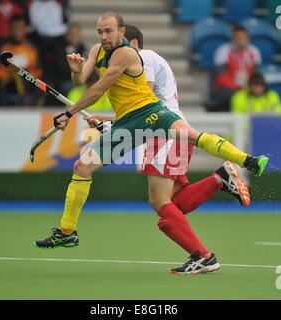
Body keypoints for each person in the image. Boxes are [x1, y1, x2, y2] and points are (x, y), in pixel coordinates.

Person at [34, 12, 269, 274]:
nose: (103, 36)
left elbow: (102, 90)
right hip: (129, 123)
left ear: (124, 34)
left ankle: (245, 163)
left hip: (154, 117)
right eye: (100, 31)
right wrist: (77, 71)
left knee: (167, 189)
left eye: (109, 31)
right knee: (88, 169)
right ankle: (67, 232)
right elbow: (84, 81)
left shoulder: (132, 55)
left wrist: (69, 113)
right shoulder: (97, 51)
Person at [85, 24, 251, 274]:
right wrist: (111, 120)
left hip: (164, 130)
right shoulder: (139, 63)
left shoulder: (143, 57)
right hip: (168, 129)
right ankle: (220, 178)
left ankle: (203, 256)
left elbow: (144, 105)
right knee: (172, 203)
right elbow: (138, 109)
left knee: (158, 200)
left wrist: (113, 123)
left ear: (132, 43)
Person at [212, 25, 262, 112]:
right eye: (238, 37)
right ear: (233, 38)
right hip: (229, 86)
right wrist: (238, 87)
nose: (240, 40)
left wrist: (250, 86)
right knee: (231, 93)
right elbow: (221, 75)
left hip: (248, 85)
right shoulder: (223, 51)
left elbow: (256, 73)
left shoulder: (254, 51)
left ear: (248, 38)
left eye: (243, 37)